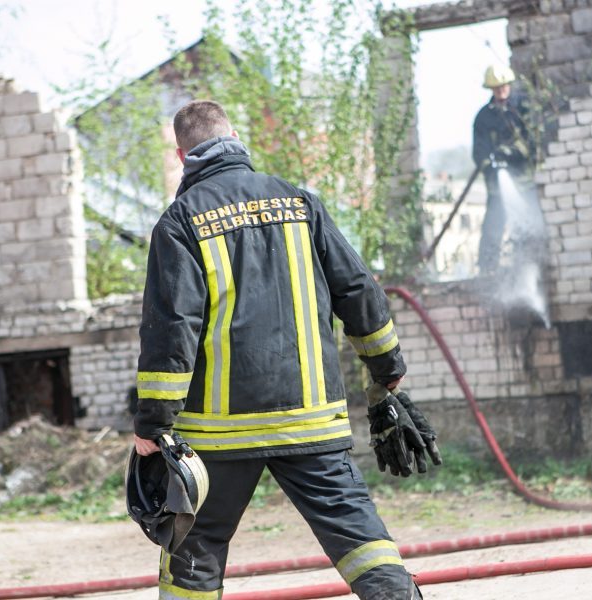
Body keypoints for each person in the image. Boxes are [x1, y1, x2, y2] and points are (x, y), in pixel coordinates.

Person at [132, 100, 439, 600]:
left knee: (196, 548)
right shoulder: (300, 202)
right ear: (235, 136)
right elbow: (358, 290)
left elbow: (171, 330)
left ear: (182, 154)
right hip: (310, 422)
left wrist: (153, 424)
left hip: (219, 435)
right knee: (361, 539)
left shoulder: (179, 222)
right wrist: (387, 372)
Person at [472, 64, 537, 274]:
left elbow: (532, 142)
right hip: (497, 186)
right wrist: (490, 164)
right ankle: (487, 270)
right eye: (496, 88)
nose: (500, 91)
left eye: (503, 86)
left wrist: (511, 153)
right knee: (492, 228)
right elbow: (479, 152)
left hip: (524, 181)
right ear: (490, 89)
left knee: (529, 225)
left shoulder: (523, 109)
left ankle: (529, 264)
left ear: (509, 85)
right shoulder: (483, 117)